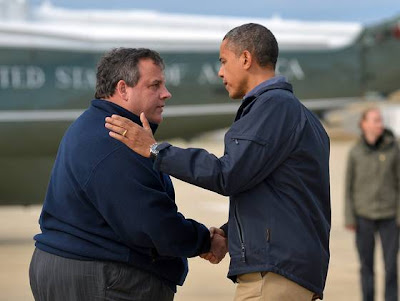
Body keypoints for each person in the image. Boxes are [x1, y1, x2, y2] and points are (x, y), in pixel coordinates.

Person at [105, 23, 331, 300]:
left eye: (224, 61)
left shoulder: (273, 107)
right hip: (284, 270)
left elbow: (228, 174)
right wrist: (227, 234)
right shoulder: (294, 113)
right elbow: (272, 196)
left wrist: (154, 150)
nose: (220, 72)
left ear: (246, 59)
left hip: (273, 276)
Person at [29, 47, 228, 301]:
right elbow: (153, 224)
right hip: (101, 277)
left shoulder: (93, 125)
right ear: (123, 89)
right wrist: (205, 241)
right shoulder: (116, 140)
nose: (166, 94)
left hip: (75, 267)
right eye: (154, 85)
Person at [344, 107, 400, 301]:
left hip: (390, 217)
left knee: (391, 265)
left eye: (381, 120)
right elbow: (348, 187)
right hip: (363, 217)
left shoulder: (394, 148)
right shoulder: (355, 152)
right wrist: (350, 217)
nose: (380, 124)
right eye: (375, 120)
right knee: (366, 266)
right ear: (364, 124)